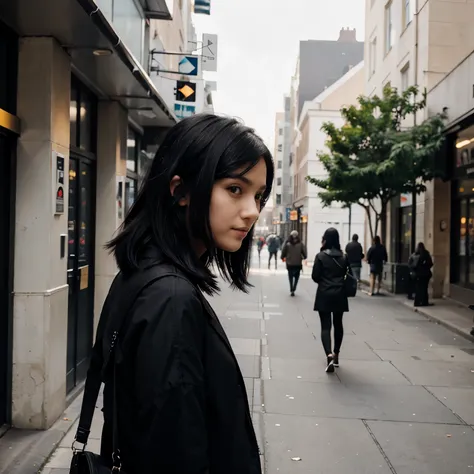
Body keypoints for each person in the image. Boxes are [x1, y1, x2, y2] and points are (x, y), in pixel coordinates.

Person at [87, 114, 274, 473]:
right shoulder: (170, 298)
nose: (252, 212)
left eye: (259, 195)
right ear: (180, 191)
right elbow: (174, 453)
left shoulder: (141, 273)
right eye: (235, 189)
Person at [312, 227, 351, 373]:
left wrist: (325, 281)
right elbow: (348, 275)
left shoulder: (321, 256)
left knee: (325, 326)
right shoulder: (344, 257)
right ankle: (336, 354)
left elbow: (315, 276)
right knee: (338, 324)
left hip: (324, 294)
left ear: (325, 239)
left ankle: (328, 354)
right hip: (340, 294)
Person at [281, 230, 307, 296]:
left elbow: (283, 251)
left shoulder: (288, 243)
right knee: (297, 277)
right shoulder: (301, 243)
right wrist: (304, 257)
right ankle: (294, 287)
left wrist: (282, 257)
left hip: (289, 263)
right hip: (298, 263)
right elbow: (304, 253)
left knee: (290, 276)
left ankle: (291, 288)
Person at [409, 242, 433, 307]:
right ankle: (424, 302)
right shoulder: (426, 254)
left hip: (417, 274)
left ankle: (417, 302)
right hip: (425, 274)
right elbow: (430, 263)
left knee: (418, 288)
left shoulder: (414, 254)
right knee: (424, 288)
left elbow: (410, 264)